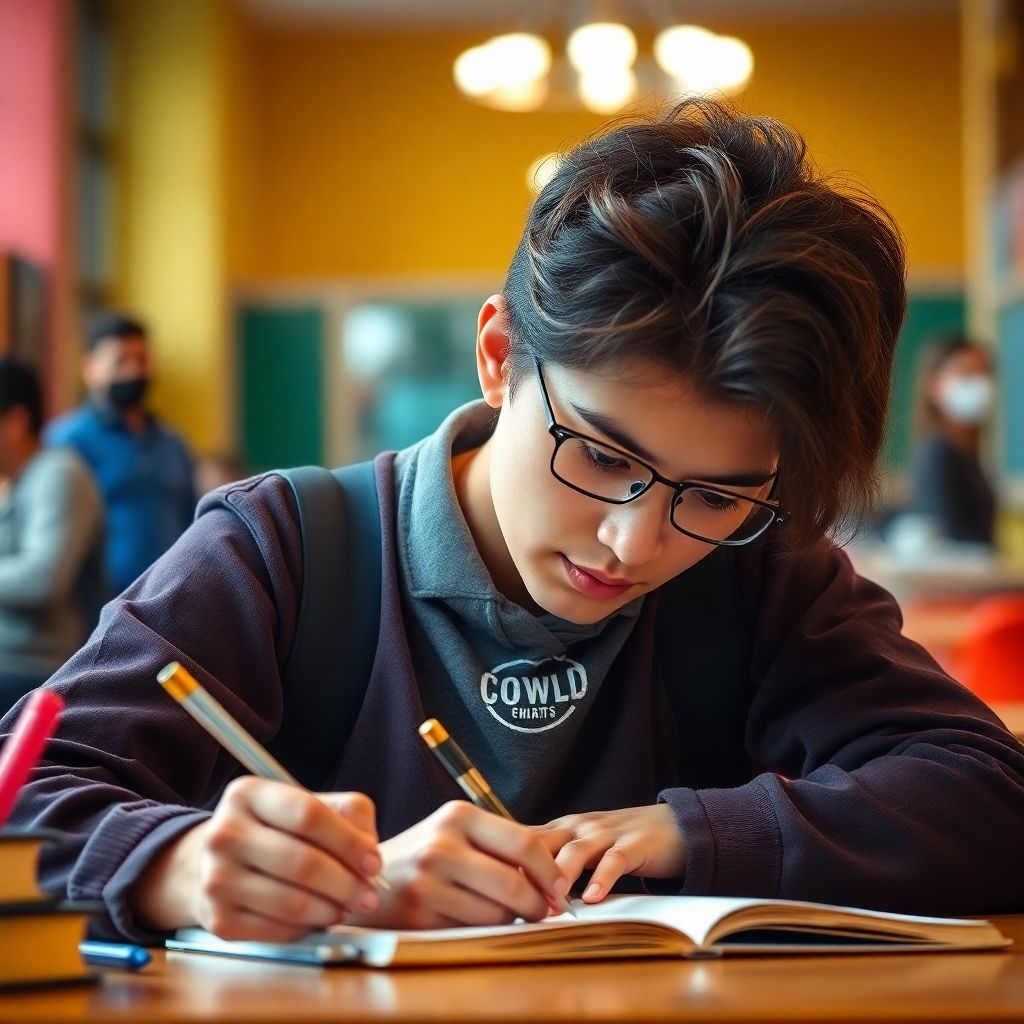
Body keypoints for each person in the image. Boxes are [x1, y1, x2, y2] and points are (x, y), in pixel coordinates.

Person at [3, 100, 1023, 946]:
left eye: (713, 493)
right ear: (499, 357)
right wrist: (179, 868)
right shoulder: (283, 550)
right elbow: (22, 792)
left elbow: (989, 797)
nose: (636, 543)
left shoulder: (758, 568)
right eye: (603, 456)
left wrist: (689, 832)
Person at [45, 314, 197, 594]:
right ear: (89, 368)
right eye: (120, 362)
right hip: (98, 611)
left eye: (141, 360)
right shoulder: (67, 442)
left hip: (170, 603)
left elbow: (193, 523)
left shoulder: (173, 444)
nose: (133, 372)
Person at [0, 357, 104, 712]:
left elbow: (42, 579)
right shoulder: (17, 481)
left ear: (15, 422)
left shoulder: (58, 474)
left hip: (36, 673)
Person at [908, 335, 996, 545]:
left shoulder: (967, 451)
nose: (980, 384)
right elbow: (947, 537)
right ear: (934, 386)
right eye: (966, 374)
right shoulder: (937, 453)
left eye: (984, 373)